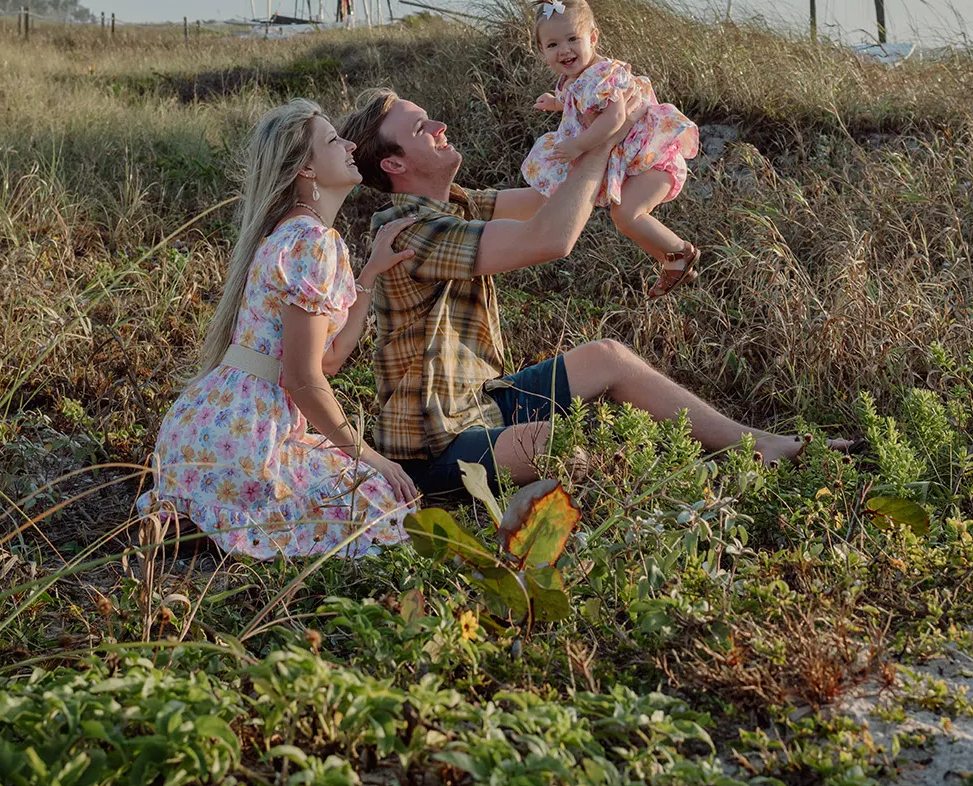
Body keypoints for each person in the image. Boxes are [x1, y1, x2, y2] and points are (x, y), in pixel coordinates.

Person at [336, 86, 849, 500]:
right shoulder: (410, 232)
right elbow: (552, 238)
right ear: (395, 165)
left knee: (609, 358)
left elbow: (557, 199)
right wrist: (601, 145)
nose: (438, 126)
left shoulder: (457, 203)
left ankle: (761, 445)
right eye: (420, 128)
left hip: (483, 404)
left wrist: (615, 125)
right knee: (567, 445)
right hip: (434, 448)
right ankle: (712, 483)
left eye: (429, 116)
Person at [137, 99, 422, 558]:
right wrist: (370, 455)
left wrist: (368, 277)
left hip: (201, 428)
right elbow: (304, 380)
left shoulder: (285, 235)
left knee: (356, 487)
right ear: (305, 169)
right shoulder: (312, 242)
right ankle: (222, 527)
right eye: (332, 140)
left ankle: (201, 521)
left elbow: (325, 360)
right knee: (379, 501)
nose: (349, 143)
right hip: (248, 436)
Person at [520, 0, 703, 297]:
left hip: (654, 158)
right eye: (553, 45)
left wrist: (579, 145)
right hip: (639, 158)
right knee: (624, 216)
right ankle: (672, 263)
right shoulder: (576, 78)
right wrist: (557, 103)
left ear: (593, 38)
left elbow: (615, 116)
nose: (564, 50)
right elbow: (579, 102)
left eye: (572, 39)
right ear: (541, 51)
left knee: (626, 214)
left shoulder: (602, 75)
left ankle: (680, 254)